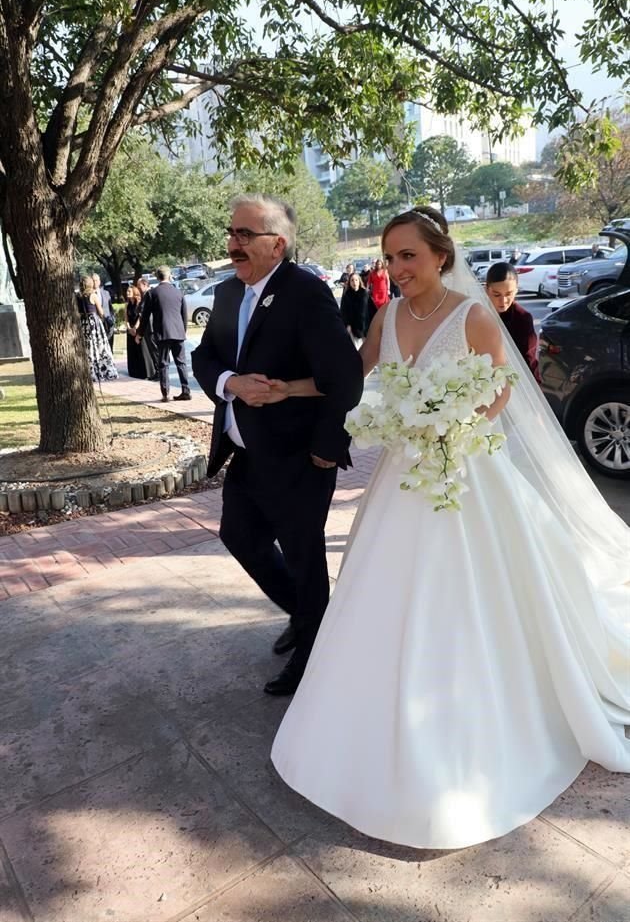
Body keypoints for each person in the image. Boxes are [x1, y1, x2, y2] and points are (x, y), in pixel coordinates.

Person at [271, 205, 630, 850]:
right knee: (384, 595)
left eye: (408, 255)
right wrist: (288, 389)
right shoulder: (386, 315)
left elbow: (501, 392)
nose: (397, 269)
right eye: (390, 258)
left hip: (466, 473)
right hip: (406, 477)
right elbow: (351, 377)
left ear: (440, 255)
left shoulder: (473, 314)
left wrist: (455, 422)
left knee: (475, 594)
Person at [192, 193, 363, 696]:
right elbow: (204, 359)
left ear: (277, 244)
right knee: (240, 537)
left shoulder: (306, 293)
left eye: (245, 235)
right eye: (231, 232)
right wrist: (230, 382)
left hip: (299, 457)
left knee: (305, 558)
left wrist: (327, 448)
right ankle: (311, 618)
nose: (233, 243)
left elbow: (345, 377)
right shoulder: (225, 295)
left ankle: (312, 658)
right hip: (246, 455)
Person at [137, 266, 190, 402]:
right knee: (181, 362)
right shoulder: (178, 292)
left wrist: (139, 333)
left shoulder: (152, 293)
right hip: (178, 332)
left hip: (162, 332)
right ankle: (185, 390)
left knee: (164, 363)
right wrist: (183, 330)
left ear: (157, 277)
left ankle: (165, 393)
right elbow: (184, 314)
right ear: (169, 276)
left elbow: (145, 316)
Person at [485, 261, 540, 381]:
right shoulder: (478, 314)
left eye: (508, 294)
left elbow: (529, 359)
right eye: (496, 294)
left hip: (514, 381)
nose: (503, 300)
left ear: (516, 290)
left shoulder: (522, 318)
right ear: (487, 289)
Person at [76, 275, 118, 382]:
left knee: (87, 346)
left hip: (83, 323)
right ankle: (102, 370)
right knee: (99, 346)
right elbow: (100, 311)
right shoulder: (93, 295)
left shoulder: (78, 297)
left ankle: (89, 371)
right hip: (94, 323)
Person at [125, 283, 156, 379]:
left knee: (142, 350)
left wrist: (135, 328)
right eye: (127, 291)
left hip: (138, 328)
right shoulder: (127, 305)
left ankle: (146, 372)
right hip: (130, 329)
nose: (127, 293)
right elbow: (126, 319)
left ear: (134, 292)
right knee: (132, 351)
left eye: (129, 291)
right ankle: (134, 371)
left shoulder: (139, 303)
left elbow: (140, 317)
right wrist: (129, 328)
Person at [339, 271, 370, 345]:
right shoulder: (347, 294)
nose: (354, 282)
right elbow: (343, 311)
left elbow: (366, 311)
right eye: (352, 280)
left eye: (356, 280)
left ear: (359, 281)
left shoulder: (364, 293)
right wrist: (347, 324)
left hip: (364, 326)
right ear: (349, 282)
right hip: (352, 327)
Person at [93, 273, 116, 353]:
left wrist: (113, 320)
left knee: (109, 348)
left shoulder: (106, 293)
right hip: (96, 325)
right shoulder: (90, 295)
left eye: (96, 280)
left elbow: (111, 309)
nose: (95, 282)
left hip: (108, 325)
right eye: (93, 281)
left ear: (99, 282)